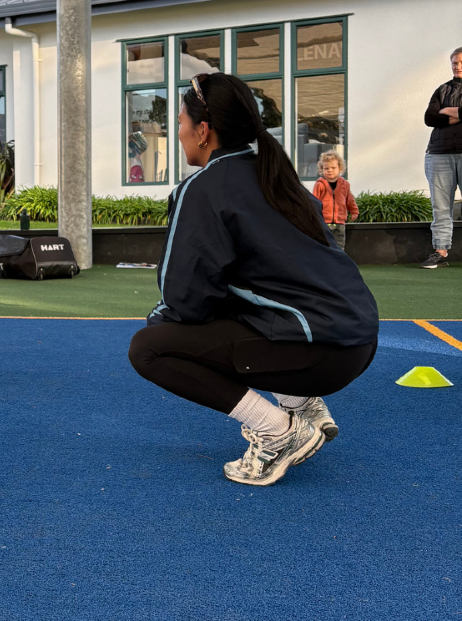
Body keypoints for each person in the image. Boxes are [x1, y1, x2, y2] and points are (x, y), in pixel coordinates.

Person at [127, 73, 379, 487]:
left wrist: (160, 323)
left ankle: (277, 432)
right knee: (232, 308)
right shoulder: (283, 181)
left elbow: (185, 296)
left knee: (150, 349)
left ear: (203, 130)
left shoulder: (203, 188)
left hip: (317, 353)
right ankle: (302, 405)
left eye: (180, 124)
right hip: (358, 344)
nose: (180, 134)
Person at [421, 46, 462, 269]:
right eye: (454, 62)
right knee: (441, 206)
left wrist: (447, 111)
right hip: (439, 153)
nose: (457, 66)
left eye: (461, 62)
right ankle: (440, 251)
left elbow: (439, 115)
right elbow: (429, 118)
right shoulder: (442, 89)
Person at [311, 151, 358, 250]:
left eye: (333, 168)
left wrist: (354, 211)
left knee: (340, 246)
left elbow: (349, 199)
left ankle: (339, 264)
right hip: (324, 222)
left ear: (340, 168)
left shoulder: (345, 185)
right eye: (326, 168)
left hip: (340, 222)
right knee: (325, 245)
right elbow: (314, 201)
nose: (330, 170)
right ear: (321, 169)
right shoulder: (320, 184)